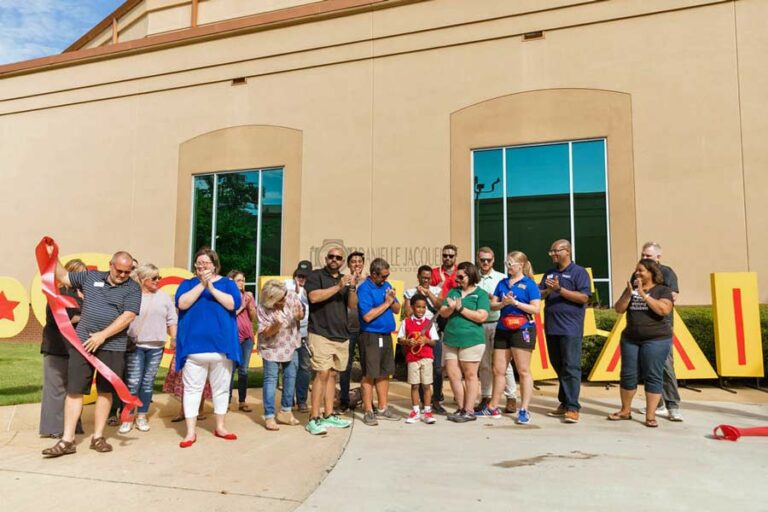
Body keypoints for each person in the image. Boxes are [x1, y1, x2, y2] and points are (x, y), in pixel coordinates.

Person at [42, 249, 142, 458]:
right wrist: (52, 253)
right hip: (83, 345)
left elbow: (128, 316)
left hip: (112, 346)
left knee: (105, 391)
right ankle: (67, 440)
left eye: (127, 271)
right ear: (111, 265)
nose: (123, 275)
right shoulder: (91, 277)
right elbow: (62, 276)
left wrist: (102, 336)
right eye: (120, 270)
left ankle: (98, 437)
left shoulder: (133, 288)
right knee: (75, 389)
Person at [175, 247, 241, 448]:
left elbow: (232, 305)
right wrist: (201, 285)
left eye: (206, 262)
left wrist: (211, 288)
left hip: (222, 347)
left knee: (221, 389)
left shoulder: (228, 284)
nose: (202, 265)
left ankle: (220, 426)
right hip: (194, 348)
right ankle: (190, 432)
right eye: (199, 262)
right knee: (193, 390)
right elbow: (182, 304)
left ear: (214, 264)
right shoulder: (187, 284)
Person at [609, 259, 674, 428]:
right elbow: (619, 309)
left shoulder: (663, 290)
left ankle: (651, 416)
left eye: (641, 271)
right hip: (631, 339)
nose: (637, 273)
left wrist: (644, 295)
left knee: (653, 375)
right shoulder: (631, 289)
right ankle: (625, 410)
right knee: (628, 375)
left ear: (651, 273)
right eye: (636, 271)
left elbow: (663, 310)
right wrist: (629, 294)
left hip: (656, 340)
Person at [118, 264, 178, 434]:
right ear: (143, 279)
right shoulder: (131, 295)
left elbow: (172, 319)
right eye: (154, 278)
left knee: (147, 382)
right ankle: (127, 416)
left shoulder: (164, 297)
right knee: (133, 382)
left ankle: (142, 416)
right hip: (135, 345)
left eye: (159, 277)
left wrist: (174, 337)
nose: (158, 281)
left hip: (156, 346)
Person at [483, 251, 541, 424]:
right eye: (506, 263)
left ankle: (524, 409)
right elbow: (492, 305)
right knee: (498, 369)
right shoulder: (502, 283)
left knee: (523, 370)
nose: (508, 266)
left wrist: (516, 303)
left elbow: (536, 309)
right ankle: (492, 406)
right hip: (503, 327)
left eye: (511, 263)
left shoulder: (529, 284)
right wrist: (503, 303)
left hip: (522, 327)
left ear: (520, 265)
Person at [304, 247, 355, 435]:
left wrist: (351, 287)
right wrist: (339, 286)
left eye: (338, 258)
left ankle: (328, 414)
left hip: (341, 334)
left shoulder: (344, 280)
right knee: (321, 373)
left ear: (342, 261)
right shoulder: (316, 275)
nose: (334, 260)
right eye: (331, 257)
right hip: (320, 332)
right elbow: (314, 297)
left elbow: (352, 305)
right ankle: (314, 417)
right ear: (326, 258)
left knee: (333, 374)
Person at [539, 239, 591, 424]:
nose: (552, 254)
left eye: (556, 251)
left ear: (567, 251)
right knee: (559, 366)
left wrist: (559, 290)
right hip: (552, 326)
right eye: (551, 251)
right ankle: (564, 402)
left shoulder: (579, 272)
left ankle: (572, 407)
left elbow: (584, 297)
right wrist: (547, 290)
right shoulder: (550, 273)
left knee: (571, 367)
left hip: (570, 328)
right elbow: (540, 294)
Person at [39, 258, 87, 439]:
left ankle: (73, 426)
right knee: (56, 389)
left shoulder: (84, 294)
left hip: (75, 348)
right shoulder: (57, 292)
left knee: (73, 389)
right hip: (56, 347)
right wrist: (83, 318)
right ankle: (54, 428)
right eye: (78, 274)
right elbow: (57, 319)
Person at [636, 242, 683, 421]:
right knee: (649, 365)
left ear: (658, 257)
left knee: (665, 365)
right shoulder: (637, 273)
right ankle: (659, 404)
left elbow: (672, 297)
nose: (645, 258)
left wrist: (649, 297)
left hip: (661, 326)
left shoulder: (667, 273)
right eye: (643, 255)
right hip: (642, 326)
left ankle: (673, 406)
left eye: (648, 256)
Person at [439, 261, 490, 423]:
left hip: (472, 339)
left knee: (470, 374)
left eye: (461, 276)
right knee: (453, 375)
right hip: (451, 338)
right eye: (456, 276)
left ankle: (469, 410)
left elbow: (482, 316)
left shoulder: (480, 294)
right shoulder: (453, 292)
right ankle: (461, 408)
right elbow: (443, 313)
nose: (458, 279)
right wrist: (451, 308)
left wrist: (461, 309)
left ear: (471, 275)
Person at [357, 258, 401, 426]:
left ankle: (383, 408)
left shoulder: (386, 286)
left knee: (384, 373)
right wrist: (386, 303)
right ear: (374, 274)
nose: (385, 279)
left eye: (387, 276)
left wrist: (392, 299)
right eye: (383, 276)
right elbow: (367, 316)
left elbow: (397, 309)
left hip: (386, 335)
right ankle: (368, 410)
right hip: (370, 336)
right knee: (370, 373)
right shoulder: (364, 289)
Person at [474, 247, 518, 414]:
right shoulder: (474, 278)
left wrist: (490, 298)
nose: (485, 263)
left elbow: (504, 300)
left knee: (503, 364)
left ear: (493, 261)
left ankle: (511, 396)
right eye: (482, 259)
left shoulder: (502, 278)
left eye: (489, 260)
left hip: (499, 323)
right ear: (478, 260)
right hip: (480, 324)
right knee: (484, 363)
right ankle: (486, 396)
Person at [257, 280, 304, 430]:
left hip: (291, 344)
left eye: (284, 296)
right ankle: (269, 416)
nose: (284, 299)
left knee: (290, 377)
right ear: (271, 299)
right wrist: (276, 324)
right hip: (271, 347)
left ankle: (285, 411)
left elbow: (300, 314)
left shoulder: (290, 295)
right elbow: (267, 332)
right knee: (271, 379)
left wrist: (299, 315)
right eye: (280, 299)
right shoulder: (263, 308)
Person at [403, 265, 446, 413]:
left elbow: (440, 306)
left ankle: (437, 400)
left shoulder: (436, 290)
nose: (426, 280)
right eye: (423, 277)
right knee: (419, 369)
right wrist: (417, 295)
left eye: (428, 278)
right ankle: (422, 402)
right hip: (416, 336)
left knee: (438, 369)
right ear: (418, 276)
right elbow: (408, 312)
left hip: (433, 334)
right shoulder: (409, 292)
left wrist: (428, 294)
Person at [397, 294, 439, 424]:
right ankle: (415, 410)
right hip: (412, 358)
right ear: (412, 307)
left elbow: (434, 342)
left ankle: (427, 411)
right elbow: (400, 339)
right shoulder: (406, 322)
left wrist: (426, 340)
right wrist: (407, 341)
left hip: (426, 357)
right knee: (414, 385)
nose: (421, 310)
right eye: (418, 307)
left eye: (423, 307)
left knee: (426, 385)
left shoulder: (429, 323)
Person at [227, 270, 257, 413]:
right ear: (231, 281)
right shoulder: (227, 297)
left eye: (243, 280)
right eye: (239, 280)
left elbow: (253, 317)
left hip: (247, 337)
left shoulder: (247, 296)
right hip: (232, 337)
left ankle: (242, 401)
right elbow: (229, 316)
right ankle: (225, 401)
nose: (242, 283)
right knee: (230, 370)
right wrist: (243, 305)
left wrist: (251, 306)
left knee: (244, 370)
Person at [339, 251, 365, 412]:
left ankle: (367, 399)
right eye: (353, 261)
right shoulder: (344, 281)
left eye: (359, 261)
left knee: (368, 366)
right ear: (348, 265)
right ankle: (344, 399)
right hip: (347, 328)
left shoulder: (369, 281)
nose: (356, 264)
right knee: (345, 366)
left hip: (366, 328)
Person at [286, 261, 312, 413]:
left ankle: (301, 400)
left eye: (305, 276)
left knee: (304, 367)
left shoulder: (311, 290)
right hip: (289, 334)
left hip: (305, 333)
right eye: (299, 275)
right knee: (290, 367)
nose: (301, 279)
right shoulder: (287, 286)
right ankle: (288, 401)